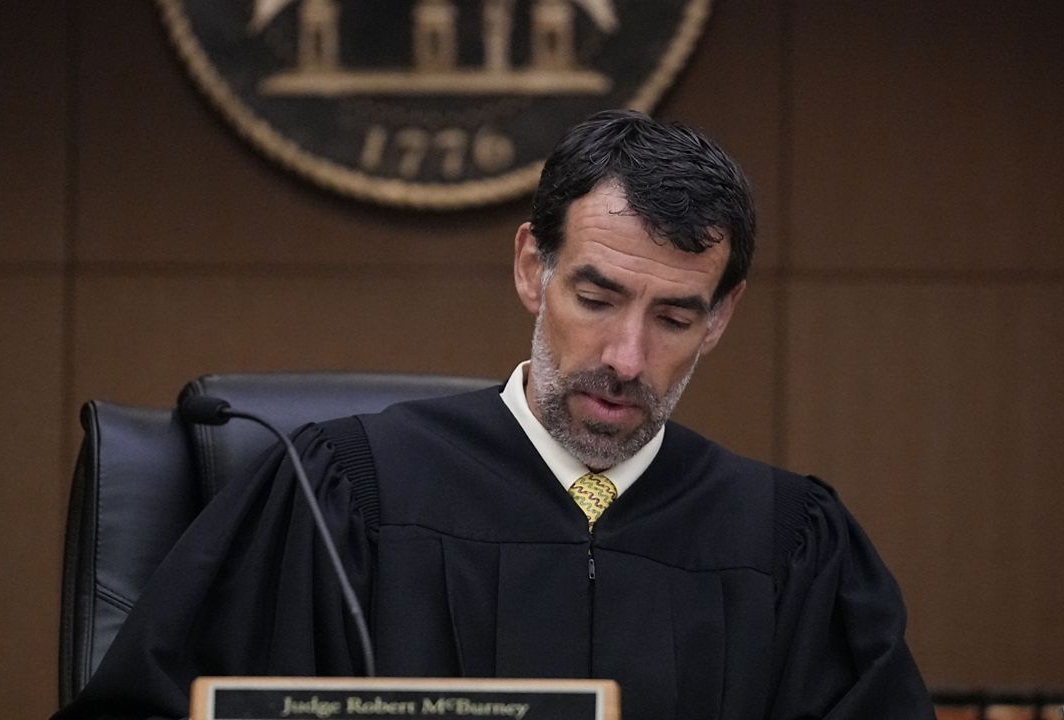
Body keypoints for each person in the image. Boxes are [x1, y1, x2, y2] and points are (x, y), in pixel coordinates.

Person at [54, 110, 934, 719]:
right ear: (531, 269)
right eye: (597, 295)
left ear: (721, 317)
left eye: (674, 316)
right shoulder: (340, 495)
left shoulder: (787, 545)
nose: (627, 359)